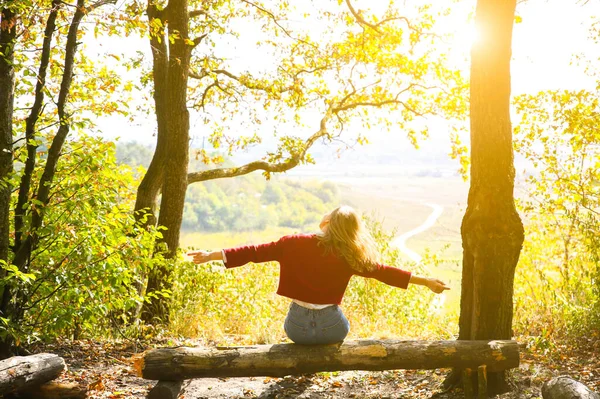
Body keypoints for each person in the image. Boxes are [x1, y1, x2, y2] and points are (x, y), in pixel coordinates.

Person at [188, 205, 449, 345]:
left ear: (327, 223)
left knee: (297, 316)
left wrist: (211, 255)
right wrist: (426, 281)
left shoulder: (292, 243)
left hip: (297, 329)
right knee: (341, 319)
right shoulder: (350, 255)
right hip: (333, 329)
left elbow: (253, 252)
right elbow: (385, 273)